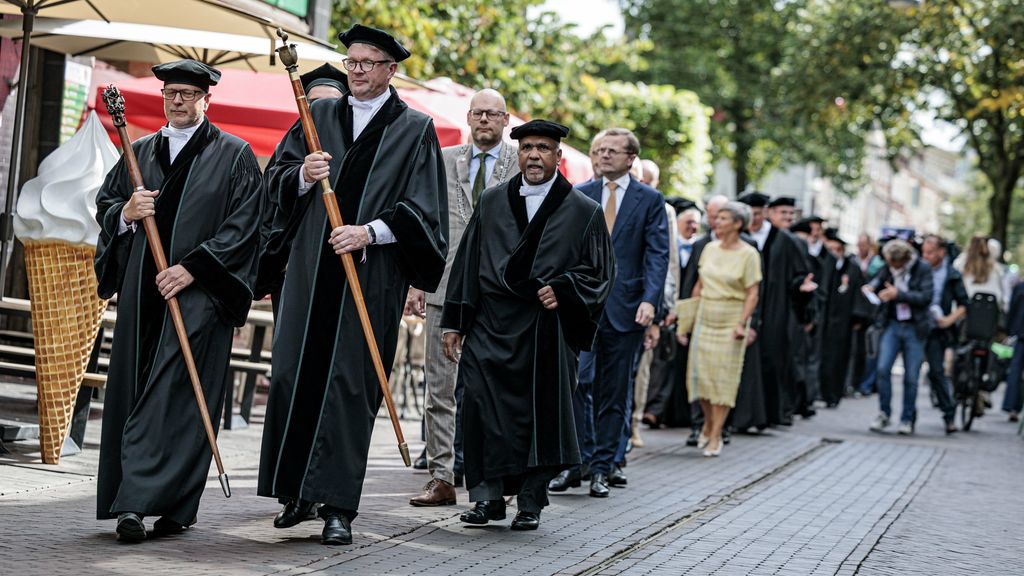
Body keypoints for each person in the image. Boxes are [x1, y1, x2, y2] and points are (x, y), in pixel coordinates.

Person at [258, 24, 448, 546]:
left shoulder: (415, 128)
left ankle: (339, 507)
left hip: (370, 278)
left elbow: (426, 210)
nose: (357, 70)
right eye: (352, 61)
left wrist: (370, 231)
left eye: (368, 62)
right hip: (310, 273)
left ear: (391, 69)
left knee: (350, 387)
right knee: (293, 376)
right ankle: (294, 492)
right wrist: (302, 174)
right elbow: (274, 180)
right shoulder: (317, 114)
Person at [94, 60, 263, 542]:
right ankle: (132, 499)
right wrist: (126, 213)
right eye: (172, 92)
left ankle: (160, 503)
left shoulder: (235, 156)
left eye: (189, 93)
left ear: (207, 99)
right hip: (142, 295)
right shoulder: (138, 151)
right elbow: (106, 206)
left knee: (181, 397)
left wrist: (192, 269)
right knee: (137, 390)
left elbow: (245, 227)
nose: (179, 100)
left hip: (200, 298)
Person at [440, 119, 614, 530]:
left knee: (540, 417)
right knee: (481, 409)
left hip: (545, 330)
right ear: (517, 154)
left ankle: (531, 502)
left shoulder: (583, 211)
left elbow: (601, 273)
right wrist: (455, 321)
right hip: (489, 325)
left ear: (558, 155)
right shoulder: (493, 200)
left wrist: (565, 289)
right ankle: (487, 499)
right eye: (527, 148)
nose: (533, 155)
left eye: (542, 148)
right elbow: (467, 262)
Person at [406, 89, 520, 507]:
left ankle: (494, 480)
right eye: (478, 113)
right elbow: (425, 223)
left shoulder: (520, 165)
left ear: (506, 120)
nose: (484, 120)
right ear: (469, 118)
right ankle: (441, 476)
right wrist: (418, 281)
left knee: (493, 389)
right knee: (439, 388)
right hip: (444, 289)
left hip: (498, 295)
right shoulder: (445, 158)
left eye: (493, 114)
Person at [554, 128, 669, 499]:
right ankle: (576, 462)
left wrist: (651, 300)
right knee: (577, 383)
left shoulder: (650, 200)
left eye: (612, 151)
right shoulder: (579, 194)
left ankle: (603, 467)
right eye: (599, 150)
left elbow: (657, 254)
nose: (603, 156)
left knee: (614, 393)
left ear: (631, 158)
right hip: (583, 307)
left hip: (627, 309)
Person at [254, 63, 347, 319]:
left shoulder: (355, 148)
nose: (322, 110)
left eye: (332, 103)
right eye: (314, 103)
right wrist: (302, 176)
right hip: (293, 269)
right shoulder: (291, 143)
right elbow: (268, 200)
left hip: (341, 269)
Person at [679, 201, 761, 456]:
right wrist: (686, 322)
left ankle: (716, 435)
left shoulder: (749, 254)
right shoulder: (709, 248)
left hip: (731, 318)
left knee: (723, 379)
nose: (717, 221)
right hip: (705, 315)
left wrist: (742, 324)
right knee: (700, 377)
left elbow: (753, 294)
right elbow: (698, 286)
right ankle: (708, 422)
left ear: (738, 224)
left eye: (724, 218)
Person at [865, 239, 934, 435]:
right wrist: (872, 288)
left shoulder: (922, 269)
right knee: (882, 369)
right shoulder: (888, 268)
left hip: (915, 327)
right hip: (893, 324)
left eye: (894, 263)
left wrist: (899, 294)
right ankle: (884, 413)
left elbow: (925, 297)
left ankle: (907, 418)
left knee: (911, 377)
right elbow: (878, 281)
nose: (891, 266)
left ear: (903, 260)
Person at [758, 196, 815, 426]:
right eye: (783, 213)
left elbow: (799, 275)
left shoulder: (793, 242)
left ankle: (776, 412)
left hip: (778, 310)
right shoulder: (756, 237)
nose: (788, 218)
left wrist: (802, 287)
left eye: (791, 214)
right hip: (754, 308)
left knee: (777, 360)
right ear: (769, 212)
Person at [920, 234, 964, 433]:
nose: (926, 256)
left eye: (930, 252)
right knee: (911, 374)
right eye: (924, 252)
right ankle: (907, 418)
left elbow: (965, 304)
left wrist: (948, 320)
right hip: (916, 325)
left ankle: (949, 414)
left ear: (941, 252)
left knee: (937, 372)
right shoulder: (919, 269)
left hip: (937, 329)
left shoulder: (951, 274)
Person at [818, 228, 867, 407]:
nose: (834, 254)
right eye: (831, 249)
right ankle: (819, 392)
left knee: (839, 358)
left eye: (837, 250)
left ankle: (834, 393)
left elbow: (858, 295)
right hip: (824, 320)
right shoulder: (824, 266)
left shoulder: (851, 269)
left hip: (842, 322)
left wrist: (858, 318)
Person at [956, 235, 1006, 312]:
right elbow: (1001, 296)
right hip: (990, 312)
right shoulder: (995, 268)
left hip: (966, 313)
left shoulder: (960, 264)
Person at [1002, 281, 1024, 421]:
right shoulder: (1019, 287)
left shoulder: (1020, 287)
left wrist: (1009, 331)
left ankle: (1012, 407)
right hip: (1021, 333)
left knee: (1015, 371)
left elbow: (1012, 310)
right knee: (1015, 371)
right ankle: (1012, 407)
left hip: (1021, 333)